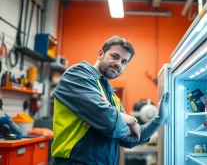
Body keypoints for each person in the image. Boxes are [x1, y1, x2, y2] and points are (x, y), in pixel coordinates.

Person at [51, 35, 170, 165]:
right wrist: (130, 120)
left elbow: (131, 139)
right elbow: (108, 122)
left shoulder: (112, 96)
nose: (118, 63)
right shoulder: (78, 74)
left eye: (124, 62)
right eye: (115, 56)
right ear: (101, 54)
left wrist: (158, 120)